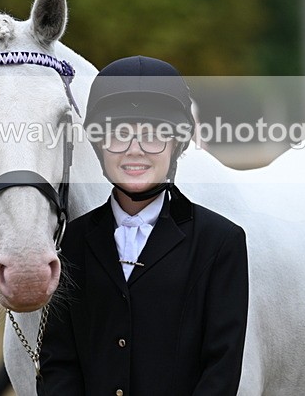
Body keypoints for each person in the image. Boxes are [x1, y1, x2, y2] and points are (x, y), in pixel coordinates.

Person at [37, 55, 249, 396]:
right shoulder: (72, 242)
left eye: (152, 135)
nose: (134, 151)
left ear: (178, 143)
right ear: (98, 144)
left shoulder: (221, 243)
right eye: (119, 135)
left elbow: (221, 370)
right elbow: (58, 362)